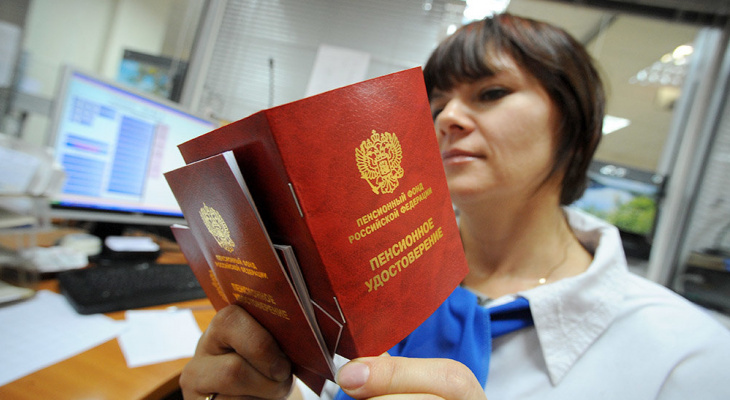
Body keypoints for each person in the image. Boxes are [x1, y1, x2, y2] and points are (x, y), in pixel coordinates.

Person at [180, 13, 730, 400]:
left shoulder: (688, 356)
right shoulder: (366, 281)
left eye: (491, 93)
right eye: (435, 104)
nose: (446, 120)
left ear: (574, 122)